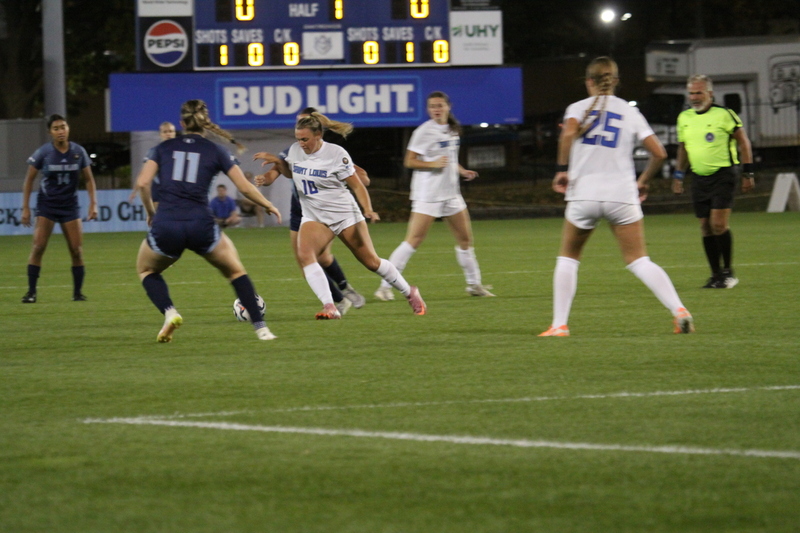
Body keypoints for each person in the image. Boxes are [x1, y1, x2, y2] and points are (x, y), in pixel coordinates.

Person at [539, 56, 694, 337]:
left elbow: (566, 137)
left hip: (584, 194)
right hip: (621, 194)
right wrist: (644, 180)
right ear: (616, 81)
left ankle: (559, 325)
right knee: (639, 260)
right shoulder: (629, 111)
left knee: (568, 259)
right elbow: (659, 153)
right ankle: (679, 310)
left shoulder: (576, 108)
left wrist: (562, 171)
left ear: (589, 82)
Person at [254, 112, 426, 319]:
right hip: (315, 217)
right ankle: (330, 306)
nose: (301, 143)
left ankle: (410, 292)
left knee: (371, 262)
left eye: (305, 139)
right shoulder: (295, 150)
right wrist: (275, 167)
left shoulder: (336, 154)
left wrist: (368, 209)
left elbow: (357, 185)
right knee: (305, 256)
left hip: (345, 215)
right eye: (298, 139)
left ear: (318, 136)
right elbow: (294, 173)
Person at [134, 99, 281, 342]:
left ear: (181, 123)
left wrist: (151, 213)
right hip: (200, 224)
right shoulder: (216, 150)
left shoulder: (163, 148)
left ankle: (170, 312)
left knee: (147, 269)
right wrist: (268, 205)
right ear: (206, 124)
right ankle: (262, 329)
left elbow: (142, 183)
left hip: (168, 223)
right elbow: (244, 187)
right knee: (235, 272)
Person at [374, 91, 494, 301]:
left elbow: (449, 159)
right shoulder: (423, 131)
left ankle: (474, 285)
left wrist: (461, 170)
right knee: (413, 241)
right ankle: (384, 287)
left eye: (439, 105)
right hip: (427, 195)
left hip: (451, 195)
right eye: (432, 106)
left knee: (465, 240)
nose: (436, 110)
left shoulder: (452, 130)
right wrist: (431, 164)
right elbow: (409, 161)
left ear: (448, 106)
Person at [255, 107, 368, 316]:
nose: (300, 129)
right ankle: (337, 300)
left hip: (323, 210)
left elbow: (362, 179)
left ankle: (344, 288)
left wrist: (359, 179)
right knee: (303, 259)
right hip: (299, 209)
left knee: (323, 258)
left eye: (305, 122)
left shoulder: (331, 154)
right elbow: (276, 171)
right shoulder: (293, 150)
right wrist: (265, 179)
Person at [672, 74, 754, 289]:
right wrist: (679, 175)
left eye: (699, 92)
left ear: (710, 93)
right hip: (699, 177)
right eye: (691, 93)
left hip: (723, 175)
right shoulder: (685, 118)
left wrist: (748, 173)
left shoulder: (725, 115)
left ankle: (728, 272)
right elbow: (683, 149)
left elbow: (744, 143)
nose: (694, 97)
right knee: (705, 227)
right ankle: (715, 274)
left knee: (718, 224)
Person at [20, 114, 98, 303]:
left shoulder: (78, 152)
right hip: (47, 205)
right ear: (50, 132)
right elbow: (29, 179)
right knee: (38, 247)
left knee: (76, 250)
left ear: (68, 128)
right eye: (56, 128)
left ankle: (77, 293)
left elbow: (89, 179)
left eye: (63, 127)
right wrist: (26, 208)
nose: (60, 131)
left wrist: (93, 204)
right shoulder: (44, 153)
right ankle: (31, 292)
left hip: (69, 206)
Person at [129, 121, 177, 207]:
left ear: (175, 133)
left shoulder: (181, 152)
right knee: (158, 218)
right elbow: (144, 173)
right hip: (159, 193)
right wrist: (135, 191)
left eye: (170, 131)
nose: (168, 134)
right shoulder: (154, 151)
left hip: (177, 193)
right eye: (165, 132)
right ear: (160, 134)